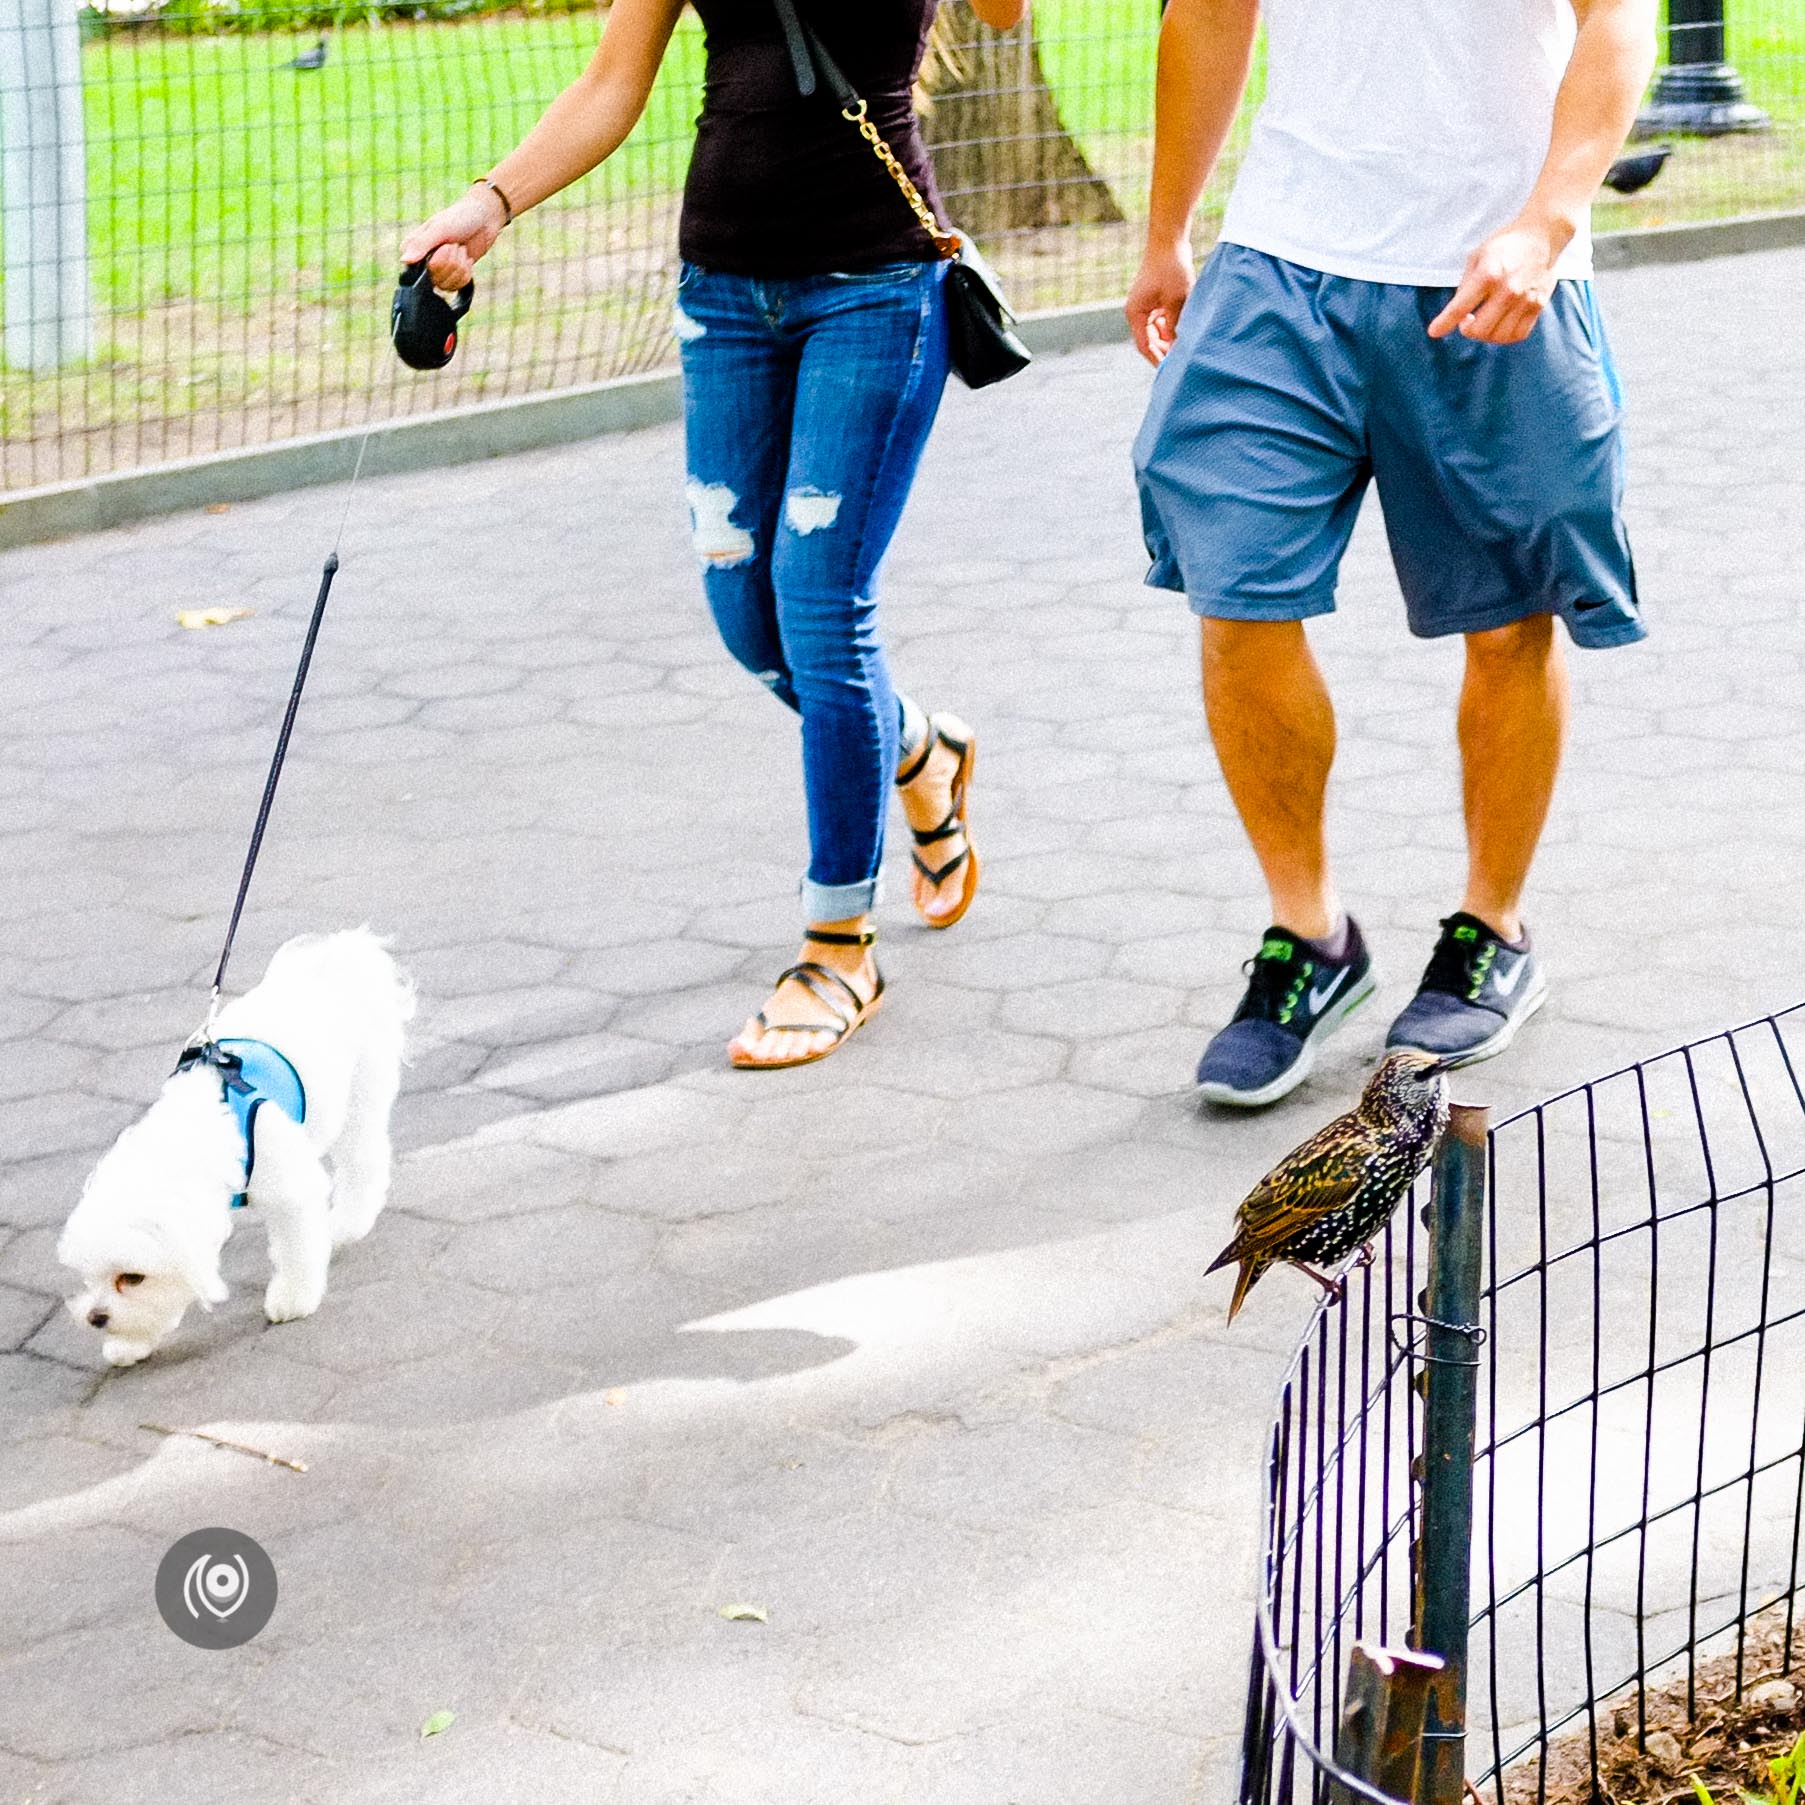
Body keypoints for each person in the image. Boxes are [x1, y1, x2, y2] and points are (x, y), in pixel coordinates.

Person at [402, 0, 1026, 1070]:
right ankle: (916, 745)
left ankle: (838, 946)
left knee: (821, 604)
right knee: (746, 613)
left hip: (876, 290)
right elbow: (611, 81)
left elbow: (1006, 14)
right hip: (724, 291)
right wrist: (489, 203)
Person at [1128, 0, 1655, 1108]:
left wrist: (1547, 220)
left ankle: (1490, 931)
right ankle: (1307, 936)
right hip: (1279, 263)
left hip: (1494, 268)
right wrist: (1165, 232)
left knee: (1509, 617)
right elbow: (1210, 17)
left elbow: (1619, 22)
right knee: (1234, 590)